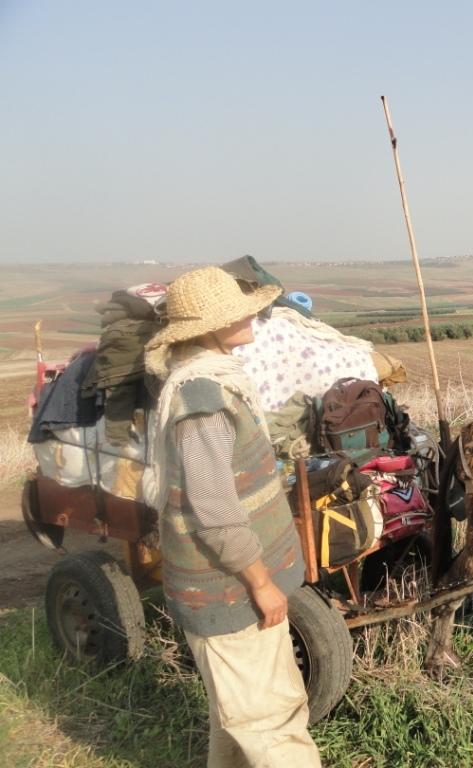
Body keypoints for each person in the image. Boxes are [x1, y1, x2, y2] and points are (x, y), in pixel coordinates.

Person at [144, 266, 321, 767]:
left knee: (240, 715)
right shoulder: (202, 401)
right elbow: (216, 511)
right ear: (205, 329)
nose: (252, 314)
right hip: (228, 589)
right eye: (235, 312)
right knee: (272, 725)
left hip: (235, 586)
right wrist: (260, 582)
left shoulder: (218, 381)